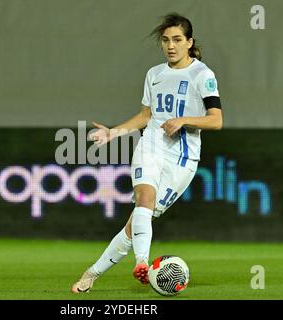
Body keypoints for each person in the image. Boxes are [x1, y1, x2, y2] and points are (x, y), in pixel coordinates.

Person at [71, 12, 223, 293]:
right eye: (165, 40)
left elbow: (216, 120)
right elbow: (145, 116)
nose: (171, 46)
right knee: (144, 198)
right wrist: (113, 132)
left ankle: (91, 273)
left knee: (135, 226)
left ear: (189, 42)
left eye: (177, 39)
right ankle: (143, 263)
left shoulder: (203, 75)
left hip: (184, 159)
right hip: (151, 145)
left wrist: (184, 120)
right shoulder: (154, 74)